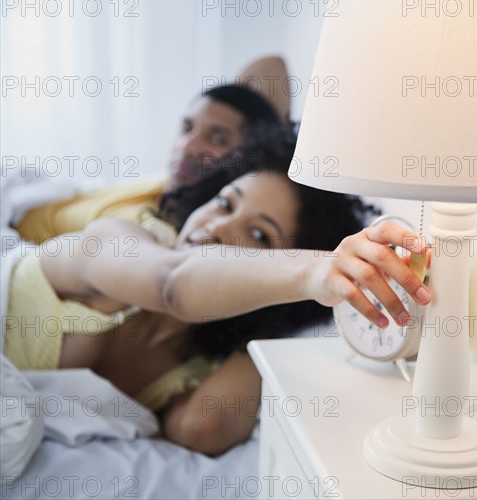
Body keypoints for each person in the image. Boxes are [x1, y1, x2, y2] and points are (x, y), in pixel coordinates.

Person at [3, 148, 431, 456]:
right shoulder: (118, 239)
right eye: (225, 201)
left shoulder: (201, 361)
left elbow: (201, 429)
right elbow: (172, 283)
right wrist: (321, 271)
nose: (219, 226)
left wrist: (274, 320)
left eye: (259, 235)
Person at [14, 56, 294, 244]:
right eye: (187, 128)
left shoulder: (166, 235)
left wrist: (273, 144)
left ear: (249, 157)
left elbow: (274, 65)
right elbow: (270, 65)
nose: (187, 147)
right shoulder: (166, 185)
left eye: (217, 138)